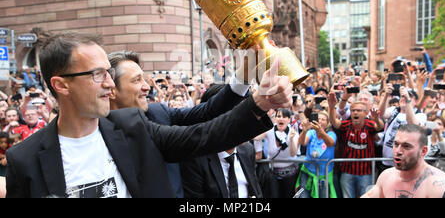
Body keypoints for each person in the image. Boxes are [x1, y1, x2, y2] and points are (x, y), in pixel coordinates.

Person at [5, 32, 292, 198]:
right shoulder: (25, 159)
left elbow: (204, 134)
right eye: (97, 74)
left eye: (109, 72)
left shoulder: (134, 128)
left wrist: (260, 102)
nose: (108, 82)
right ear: (60, 85)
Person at [107, 50, 254, 198]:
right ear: (111, 89)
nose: (146, 87)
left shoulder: (159, 113)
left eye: (144, 80)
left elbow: (208, 111)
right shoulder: (95, 135)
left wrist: (247, 73)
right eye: (136, 80)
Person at [180, 84, 263, 198]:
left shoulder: (247, 151)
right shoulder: (194, 159)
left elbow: (256, 191)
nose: (248, 123)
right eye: (240, 114)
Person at [362, 124, 445, 198]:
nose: (398, 151)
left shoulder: (438, 184)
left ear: (423, 151)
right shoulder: (387, 176)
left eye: (406, 146)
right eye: (396, 144)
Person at [328, 95, 383, 198]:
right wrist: (331, 107)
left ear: (366, 113)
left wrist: (376, 119)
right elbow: (334, 123)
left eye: (359, 110)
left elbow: (379, 126)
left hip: (366, 172)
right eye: (353, 110)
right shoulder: (346, 125)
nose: (355, 113)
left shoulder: (369, 125)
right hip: (347, 172)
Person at [378, 84, 427, 173]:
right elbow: (381, 114)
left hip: (406, 164)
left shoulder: (420, 115)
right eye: (402, 96)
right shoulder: (394, 110)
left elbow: (413, 124)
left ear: (415, 101)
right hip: (386, 162)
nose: (403, 98)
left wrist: (407, 100)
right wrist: (386, 95)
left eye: (408, 96)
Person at [291, 111, 337, 198]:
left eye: (323, 119)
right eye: (318, 118)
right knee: (302, 195)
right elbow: (302, 142)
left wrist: (321, 132)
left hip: (324, 175)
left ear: (327, 123)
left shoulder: (331, 134)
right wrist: (304, 131)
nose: (320, 121)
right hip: (307, 173)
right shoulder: (311, 132)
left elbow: (330, 143)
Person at [255, 108, 299, 198]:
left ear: (289, 120)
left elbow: (293, 153)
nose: (281, 119)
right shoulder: (270, 130)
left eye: (284, 117)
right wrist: (258, 152)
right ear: (275, 119)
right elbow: (256, 138)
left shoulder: (292, 132)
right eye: (278, 116)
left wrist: (290, 139)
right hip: (273, 174)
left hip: (290, 174)